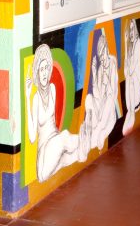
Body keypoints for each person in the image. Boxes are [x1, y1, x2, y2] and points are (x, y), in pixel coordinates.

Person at [25, 44, 89, 182]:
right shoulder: (35, 98)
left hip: (55, 148)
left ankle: (84, 142)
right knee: (64, 136)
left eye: (46, 68)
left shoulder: (52, 89)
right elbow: (32, 137)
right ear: (37, 72)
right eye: (41, 69)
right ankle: (85, 138)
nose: (44, 73)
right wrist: (27, 96)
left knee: (72, 156)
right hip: (44, 157)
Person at [83, 32, 119, 151]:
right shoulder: (99, 70)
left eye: (102, 54)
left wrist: (106, 80)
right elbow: (97, 95)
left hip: (108, 115)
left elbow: (113, 94)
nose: (102, 58)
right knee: (89, 98)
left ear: (107, 49)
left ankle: (99, 130)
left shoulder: (112, 63)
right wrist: (94, 73)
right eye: (100, 56)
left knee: (109, 98)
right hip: (100, 110)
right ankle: (91, 129)